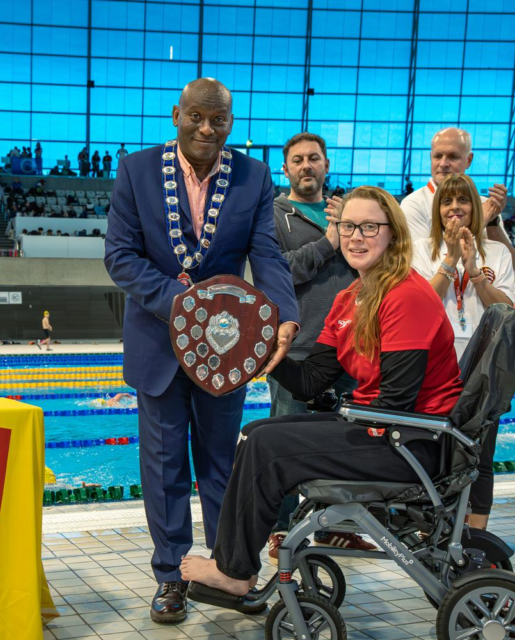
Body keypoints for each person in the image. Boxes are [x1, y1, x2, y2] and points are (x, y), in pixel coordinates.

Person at [180, 185, 462, 596]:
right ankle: (235, 564)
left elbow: (397, 402)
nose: (356, 237)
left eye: (369, 227)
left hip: (410, 442)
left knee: (267, 447)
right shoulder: (350, 298)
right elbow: (312, 379)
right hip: (383, 430)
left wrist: (343, 419)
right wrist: (258, 349)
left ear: (393, 234)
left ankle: (234, 572)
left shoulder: (406, 295)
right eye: (348, 226)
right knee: (255, 433)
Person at [104, 78, 298, 624]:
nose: (208, 129)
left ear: (231, 122)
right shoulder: (136, 170)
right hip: (158, 344)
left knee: (221, 465)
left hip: (226, 347)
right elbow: (120, 257)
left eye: (219, 119)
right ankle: (171, 577)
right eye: (197, 117)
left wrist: (284, 315)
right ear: (177, 114)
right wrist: (185, 303)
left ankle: (230, 569)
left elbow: (266, 254)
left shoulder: (254, 176)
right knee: (164, 465)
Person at [268, 131, 363, 555]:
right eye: (298, 160)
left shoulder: (347, 211)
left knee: (345, 443)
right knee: (286, 442)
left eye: (314, 158)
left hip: (350, 348)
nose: (306, 165)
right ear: (286, 168)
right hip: (298, 348)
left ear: (327, 165)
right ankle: (280, 527)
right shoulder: (274, 216)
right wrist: (328, 242)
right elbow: (278, 272)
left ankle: (333, 525)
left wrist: (350, 228)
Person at [412, 174, 515, 530]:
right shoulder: (419, 249)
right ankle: (431, 532)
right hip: (434, 364)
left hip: (484, 365)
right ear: (437, 210)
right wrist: (450, 260)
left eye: (463, 200)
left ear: (475, 207)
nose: (454, 208)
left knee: (480, 455)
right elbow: (419, 306)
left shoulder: (497, 253)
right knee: (432, 452)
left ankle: (476, 536)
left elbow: (506, 311)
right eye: (446, 201)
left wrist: (474, 272)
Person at [400, 128, 515, 263]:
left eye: (453, 157)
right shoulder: (414, 203)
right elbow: (420, 262)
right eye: (437, 156)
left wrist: (492, 222)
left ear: (469, 160)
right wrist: (480, 222)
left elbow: (510, 262)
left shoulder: (486, 204)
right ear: (430, 157)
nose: (443, 164)